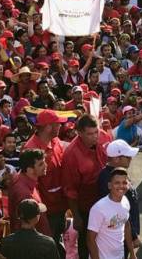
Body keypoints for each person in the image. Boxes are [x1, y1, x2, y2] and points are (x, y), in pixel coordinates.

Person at [61, 114, 108, 259]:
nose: (95, 137)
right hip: (87, 206)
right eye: (90, 134)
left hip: (105, 199)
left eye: (96, 132)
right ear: (79, 133)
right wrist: (77, 216)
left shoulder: (102, 138)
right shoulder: (71, 155)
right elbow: (70, 190)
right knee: (86, 242)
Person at [23, 109, 68, 256]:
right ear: (48, 126)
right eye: (58, 124)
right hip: (46, 213)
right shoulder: (31, 149)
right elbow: (31, 185)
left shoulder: (55, 141)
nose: (61, 126)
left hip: (60, 207)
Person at [97, 139, 141, 251]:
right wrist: (133, 236)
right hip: (119, 237)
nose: (131, 159)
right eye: (128, 157)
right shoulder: (108, 179)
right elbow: (118, 211)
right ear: (116, 159)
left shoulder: (117, 173)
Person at [87, 167, 137, 259]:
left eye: (124, 182)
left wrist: (132, 253)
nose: (121, 186)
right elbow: (90, 240)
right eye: (117, 183)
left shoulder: (125, 201)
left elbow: (126, 225)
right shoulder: (98, 208)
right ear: (109, 185)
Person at [8, 149, 51, 236]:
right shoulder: (23, 193)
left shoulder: (25, 179)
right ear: (29, 170)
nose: (45, 165)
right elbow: (24, 225)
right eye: (41, 164)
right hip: (34, 245)